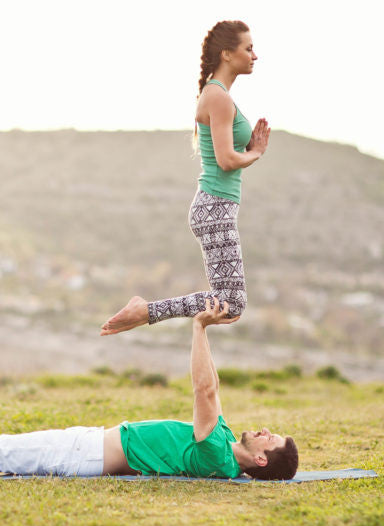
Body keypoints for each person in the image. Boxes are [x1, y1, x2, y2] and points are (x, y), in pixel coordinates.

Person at [0, 299, 298, 481]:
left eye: (270, 438)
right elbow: (210, 396)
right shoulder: (223, 442)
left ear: (261, 459)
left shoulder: (216, 456)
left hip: (83, 456)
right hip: (88, 445)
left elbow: (205, 389)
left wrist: (199, 328)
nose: (263, 430)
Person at [100, 20, 270, 336]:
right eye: (249, 48)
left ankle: (151, 314)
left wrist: (250, 145)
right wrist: (256, 152)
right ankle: (145, 311)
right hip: (215, 208)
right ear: (227, 54)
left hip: (216, 207)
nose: (255, 55)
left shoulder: (219, 96)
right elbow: (226, 160)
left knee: (229, 305)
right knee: (231, 304)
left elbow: (229, 151)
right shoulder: (217, 96)